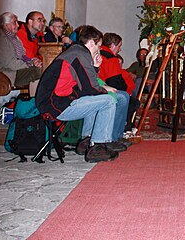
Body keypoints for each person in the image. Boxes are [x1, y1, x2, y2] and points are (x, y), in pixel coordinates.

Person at [35, 25, 129, 163]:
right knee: (108, 100)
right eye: (99, 45)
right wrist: (105, 90)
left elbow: (85, 84)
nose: (100, 49)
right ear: (91, 43)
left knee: (95, 99)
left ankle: (86, 141)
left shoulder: (76, 52)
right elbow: (90, 88)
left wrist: (96, 68)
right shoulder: (80, 55)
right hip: (56, 105)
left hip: (56, 101)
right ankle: (97, 146)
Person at [0, 12, 43, 115]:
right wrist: (30, 64)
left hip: (16, 71)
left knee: (39, 71)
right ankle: (32, 107)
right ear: (6, 25)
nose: (18, 25)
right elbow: (10, 63)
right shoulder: (0, 39)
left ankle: (33, 107)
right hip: (5, 74)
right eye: (14, 22)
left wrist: (33, 61)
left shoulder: (15, 38)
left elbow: (24, 56)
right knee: (36, 71)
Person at [99, 33, 140, 135]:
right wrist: (127, 90)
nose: (120, 50)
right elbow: (115, 81)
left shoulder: (98, 53)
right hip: (104, 90)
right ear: (113, 45)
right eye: (119, 46)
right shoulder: (111, 59)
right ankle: (121, 130)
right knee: (132, 101)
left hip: (97, 86)